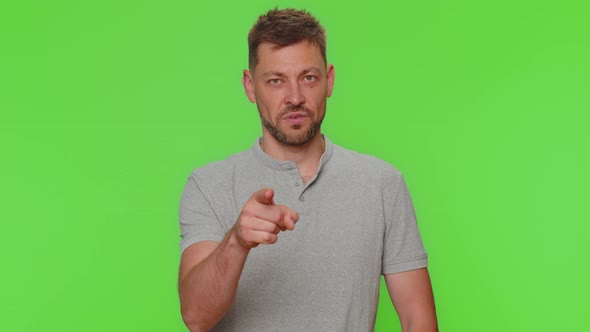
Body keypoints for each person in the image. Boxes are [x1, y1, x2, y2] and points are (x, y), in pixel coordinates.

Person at [178, 8, 438, 332]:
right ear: (250, 86)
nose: (295, 97)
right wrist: (238, 241)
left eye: (308, 78)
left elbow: (419, 319)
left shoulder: (383, 184)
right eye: (276, 81)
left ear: (329, 80)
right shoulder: (209, 185)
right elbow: (196, 317)